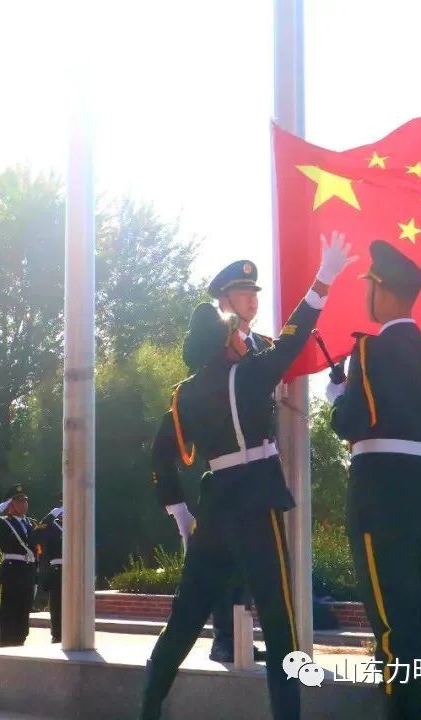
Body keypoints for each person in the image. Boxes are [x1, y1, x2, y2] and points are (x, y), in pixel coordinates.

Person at [140, 231, 355, 720]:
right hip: (255, 503)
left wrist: (179, 513)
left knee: (184, 617)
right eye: (235, 329)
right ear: (225, 339)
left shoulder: (188, 391)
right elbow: (296, 338)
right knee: (280, 626)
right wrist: (324, 279)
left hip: (214, 506)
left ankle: (147, 710)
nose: (245, 333)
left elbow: (160, 456)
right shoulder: (248, 375)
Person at [328, 240, 421, 720]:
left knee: (395, 631)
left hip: (380, 504)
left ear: (382, 291)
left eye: (368, 287)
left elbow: (350, 423)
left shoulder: (368, 353)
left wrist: (337, 393)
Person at [153, 258, 273, 663]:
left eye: (255, 293)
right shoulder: (208, 360)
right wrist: (180, 511)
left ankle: (248, 634)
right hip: (226, 473)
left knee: (259, 564)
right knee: (224, 566)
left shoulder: (266, 349)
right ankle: (226, 636)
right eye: (242, 293)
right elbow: (164, 449)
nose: (251, 300)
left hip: (265, 472)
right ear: (224, 301)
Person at [0, 484, 38, 648]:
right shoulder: (4, 523)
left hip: (28, 572)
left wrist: (36, 578)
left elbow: (36, 552)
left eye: (25, 500)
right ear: (10, 504)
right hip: (12, 572)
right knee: (9, 613)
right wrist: (2, 506)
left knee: (24, 613)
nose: (23, 503)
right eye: (18, 500)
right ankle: (6, 646)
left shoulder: (31, 524)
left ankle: (20, 643)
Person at [33, 505, 63, 643]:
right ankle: (57, 634)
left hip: (76, 568)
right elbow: (37, 532)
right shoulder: (52, 526)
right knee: (57, 603)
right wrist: (53, 514)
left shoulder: (78, 523)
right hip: (58, 568)